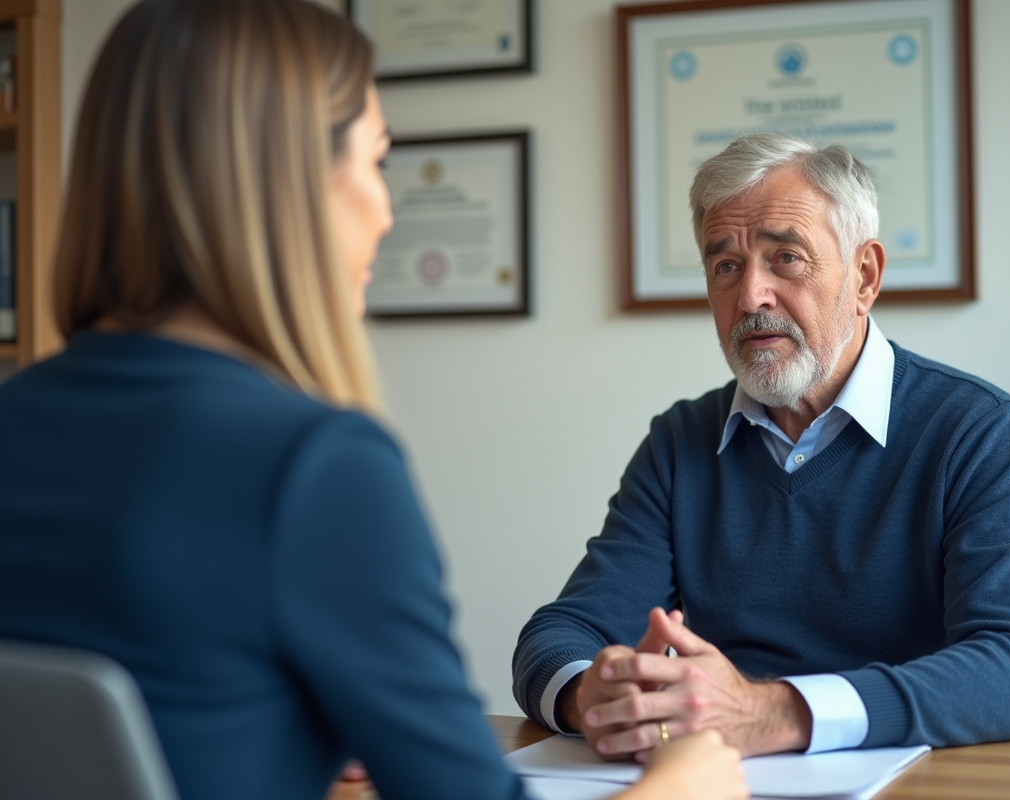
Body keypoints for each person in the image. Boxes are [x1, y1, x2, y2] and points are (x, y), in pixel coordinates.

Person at [0, 2, 748, 799]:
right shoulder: (312, 466)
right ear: (284, 182)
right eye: (377, 162)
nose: (388, 212)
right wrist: (685, 785)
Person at [512, 133, 1010, 760]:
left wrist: (774, 714)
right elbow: (561, 631)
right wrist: (589, 695)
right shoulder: (681, 442)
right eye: (725, 266)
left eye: (786, 258)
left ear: (864, 276)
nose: (750, 296)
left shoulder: (979, 430)